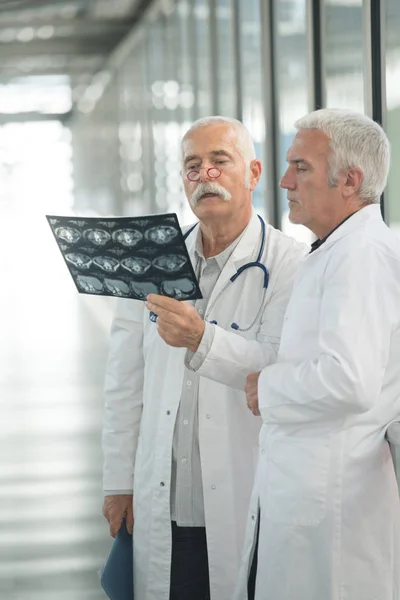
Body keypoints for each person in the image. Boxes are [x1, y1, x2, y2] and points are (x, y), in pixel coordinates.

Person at [101, 116, 307, 600]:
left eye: (220, 161)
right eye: (193, 166)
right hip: (163, 502)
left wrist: (202, 340)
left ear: (254, 173)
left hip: (244, 496)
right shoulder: (152, 260)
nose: (205, 175)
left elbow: (279, 368)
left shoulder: (291, 265)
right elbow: (124, 380)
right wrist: (117, 481)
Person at [237, 108, 400, 600]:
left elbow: (349, 379)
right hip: (310, 490)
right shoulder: (336, 249)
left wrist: (266, 387)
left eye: (301, 167)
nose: (285, 180)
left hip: (335, 503)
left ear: (350, 180)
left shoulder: (362, 256)